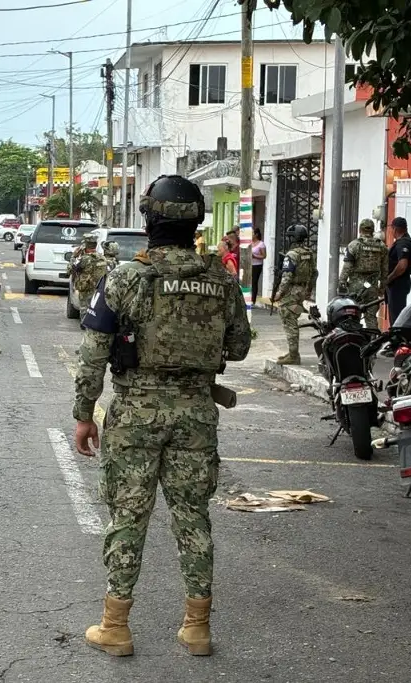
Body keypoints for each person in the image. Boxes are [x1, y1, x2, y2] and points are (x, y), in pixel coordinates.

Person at [74, 175, 252, 659]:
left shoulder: (127, 276)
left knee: (128, 517)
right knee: (193, 517)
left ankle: (117, 627)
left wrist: (84, 414)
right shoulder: (220, 278)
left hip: (135, 413)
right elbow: (237, 346)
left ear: (149, 218)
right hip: (196, 411)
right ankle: (197, 628)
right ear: (196, 221)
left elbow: (93, 353)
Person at [275, 224, 317, 365]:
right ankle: (292, 352)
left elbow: (287, 276)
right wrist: (309, 289)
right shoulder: (309, 253)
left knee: (289, 320)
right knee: (293, 317)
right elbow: (314, 273)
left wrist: (279, 293)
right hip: (302, 290)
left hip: (291, 291)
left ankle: (293, 354)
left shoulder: (292, 255)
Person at [338, 218, 388, 329]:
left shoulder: (354, 245)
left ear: (360, 229)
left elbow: (347, 267)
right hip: (372, 286)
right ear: (372, 230)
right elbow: (385, 270)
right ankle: (373, 342)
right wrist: (382, 287)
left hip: (355, 287)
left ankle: (355, 341)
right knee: (371, 317)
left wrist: (341, 282)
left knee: (353, 315)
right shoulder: (381, 246)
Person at [386, 216, 411, 326]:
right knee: (396, 315)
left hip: (398, 284)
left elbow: (402, 266)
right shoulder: (405, 242)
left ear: (394, 229)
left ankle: (398, 340)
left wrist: (389, 278)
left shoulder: (402, 243)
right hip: (399, 284)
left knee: (397, 318)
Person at [71, 232, 108, 314]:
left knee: (85, 310)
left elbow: (70, 269)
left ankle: (85, 325)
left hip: (86, 289)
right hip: (99, 289)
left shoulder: (84, 259)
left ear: (85, 246)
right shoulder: (102, 258)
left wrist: (74, 256)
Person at [251, 228, 267, 304]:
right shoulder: (249, 243)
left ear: (256, 234)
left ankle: (253, 300)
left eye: (252, 233)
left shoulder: (261, 244)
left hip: (257, 265)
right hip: (249, 265)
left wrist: (255, 256)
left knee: (254, 282)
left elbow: (264, 256)